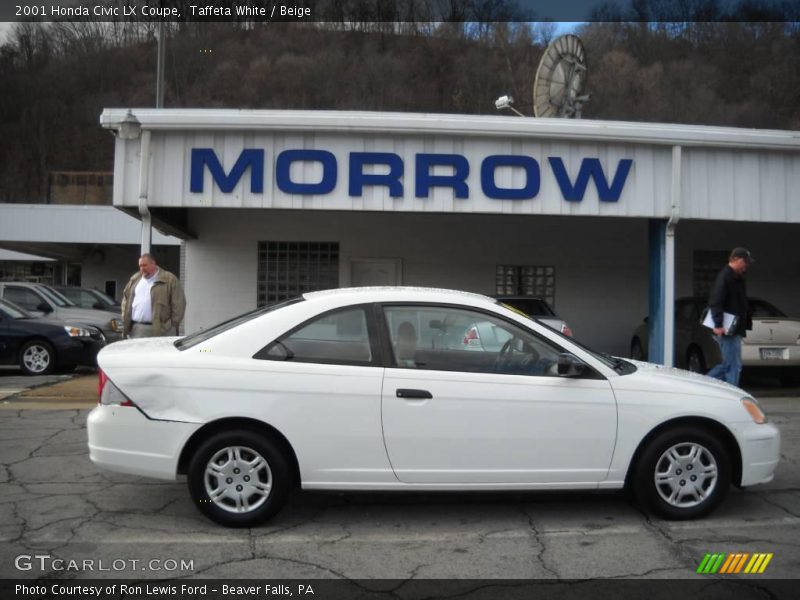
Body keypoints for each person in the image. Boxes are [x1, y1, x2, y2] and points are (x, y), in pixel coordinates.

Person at [705, 247, 754, 386]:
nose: (746, 265)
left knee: (728, 365)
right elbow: (716, 302)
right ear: (736, 259)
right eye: (745, 262)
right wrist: (718, 325)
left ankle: (702, 385)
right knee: (733, 366)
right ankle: (734, 396)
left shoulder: (736, 277)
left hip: (734, 328)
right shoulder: (726, 277)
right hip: (728, 329)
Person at [121, 253, 186, 339]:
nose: (142, 268)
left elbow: (179, 303)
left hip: (162, 330)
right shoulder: (135, 279)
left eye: (145, 265)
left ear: (153, 264)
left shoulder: (169, 279)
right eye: (140, 266)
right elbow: (125, 300)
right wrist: (124, 318)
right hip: (137, 329)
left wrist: (172, 325)